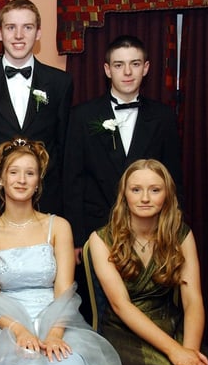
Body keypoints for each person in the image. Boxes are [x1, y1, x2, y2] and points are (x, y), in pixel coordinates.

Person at [0, 137, 123, 365]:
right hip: (7, 326)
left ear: (38, 181)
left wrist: (54, 333)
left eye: (30, 173)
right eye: (14, 172)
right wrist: (20, 332)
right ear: (1, 179)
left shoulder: (59, 227)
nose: (21, 179)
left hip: (57, 320)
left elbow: (65, 290)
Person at [89, 159, 208, 365]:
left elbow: (193, 300)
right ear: (124, 195)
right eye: (136, 189)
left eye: (155, 190)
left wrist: (190, 354)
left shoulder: (181, 234)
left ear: (167, 195)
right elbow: (121, 306)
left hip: (171, 324)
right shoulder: (101, 239)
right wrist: (175, 353)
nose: (145, 198)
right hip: (125, 331)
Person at [0, 0, 73, 238]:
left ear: (39, 32)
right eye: (11, 27)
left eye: (28, 27)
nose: (19, 35)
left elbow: (63, 146)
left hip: (44, 200)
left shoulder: (60, 83)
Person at [64, 34, 183, 256]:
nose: (127, 72)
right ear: (108, 70)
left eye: (135, 64)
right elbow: (72, 181)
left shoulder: (163, 117)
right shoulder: (82, 116)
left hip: (151, 234)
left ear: (145, 68)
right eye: (119, 65)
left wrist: (172, 232)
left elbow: (173, 180)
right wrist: (77, 239)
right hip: (96, 232)